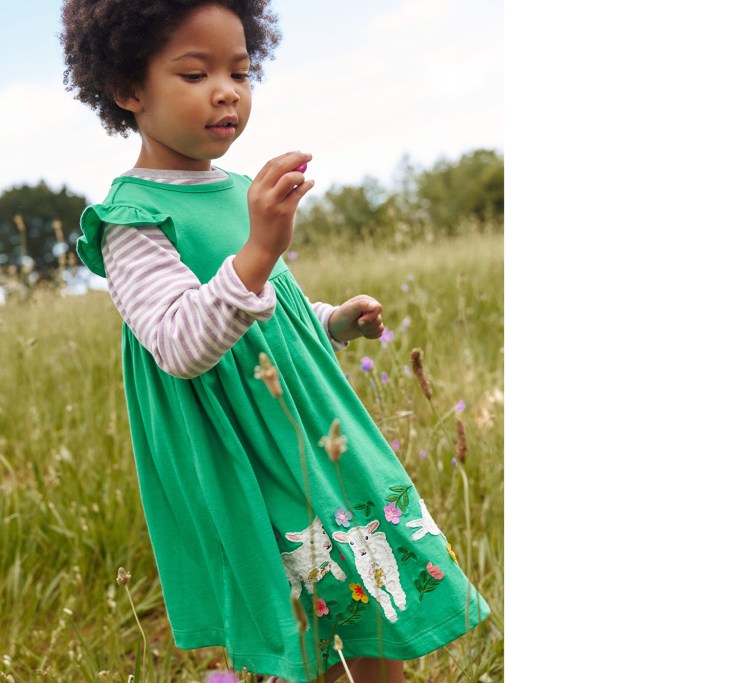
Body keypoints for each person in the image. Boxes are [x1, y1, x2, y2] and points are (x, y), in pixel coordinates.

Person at [61, 2, 490, 681]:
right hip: (250, 450)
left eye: (241, 70)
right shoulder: (130, 220)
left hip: (312, 430)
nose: (227, 90)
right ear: (127, 89)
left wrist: (331, 321)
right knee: (317, 614)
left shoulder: (238, 189)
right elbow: (179, 342)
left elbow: (272, 311)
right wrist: (260, 245)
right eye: (196, 73)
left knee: (371, 597)